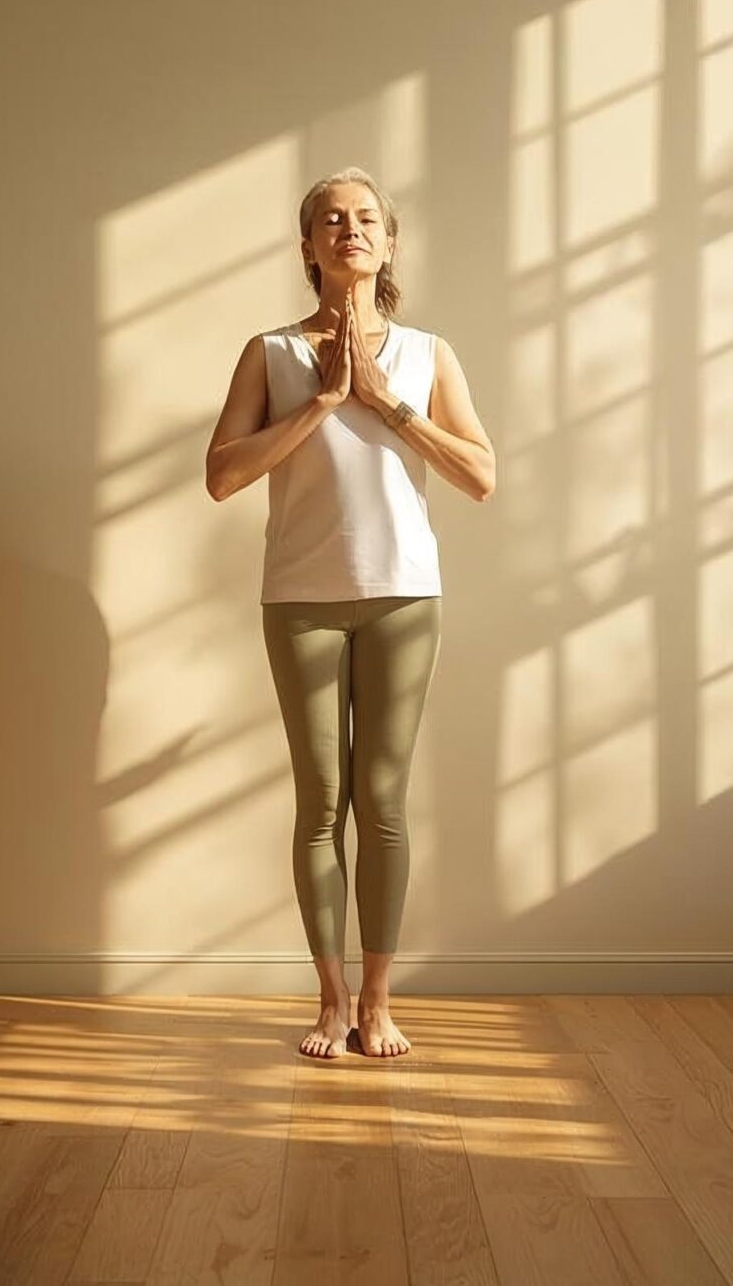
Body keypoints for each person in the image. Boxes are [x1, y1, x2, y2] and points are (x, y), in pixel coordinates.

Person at [204, 167, 497, 1059]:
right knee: (320, 803)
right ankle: (329, 1002)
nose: (349, 229)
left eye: (366, 217)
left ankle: (378, 1001)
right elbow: (222, 476)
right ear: (309, 249)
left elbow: (479, 475)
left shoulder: (427, 353)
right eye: (330, 219)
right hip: (301, 597)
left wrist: (385, 400)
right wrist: (327, 399)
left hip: (404, 593)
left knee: (384, 802)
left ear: (389, 241)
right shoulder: (272, 354)